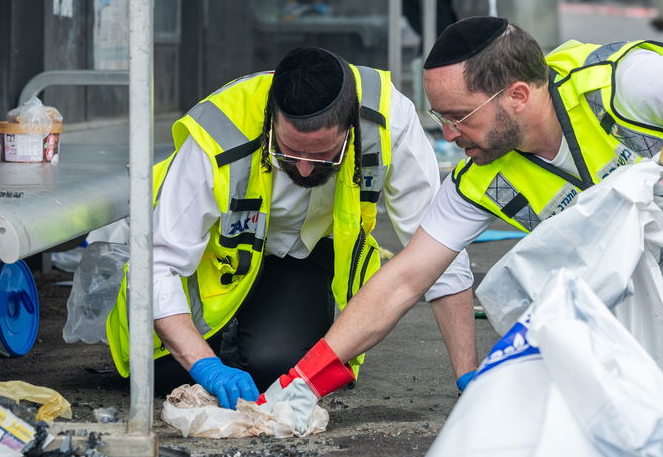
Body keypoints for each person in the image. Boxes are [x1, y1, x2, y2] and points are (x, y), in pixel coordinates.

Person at [264, 18, 663, 439]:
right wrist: (305, 378)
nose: (447, 134)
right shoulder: (480, 178)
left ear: (516, 94)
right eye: (437, 117)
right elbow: (406, 278)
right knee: (657, 374)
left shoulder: (614, 82)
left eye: (457, 116)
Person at [104, 47, 477, 406]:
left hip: (300, 256)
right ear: (272, 119)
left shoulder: (388, 117)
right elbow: (157, 264)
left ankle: (250, 334)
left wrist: (468, 374)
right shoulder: (221, 129)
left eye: (321, 157)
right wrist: (206, 365)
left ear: (350, 128)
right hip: (214, 263)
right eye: (289, 151)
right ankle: (225, 340)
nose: (302, 169)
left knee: (277, 370)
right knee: (168, 374)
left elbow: (438, 244)